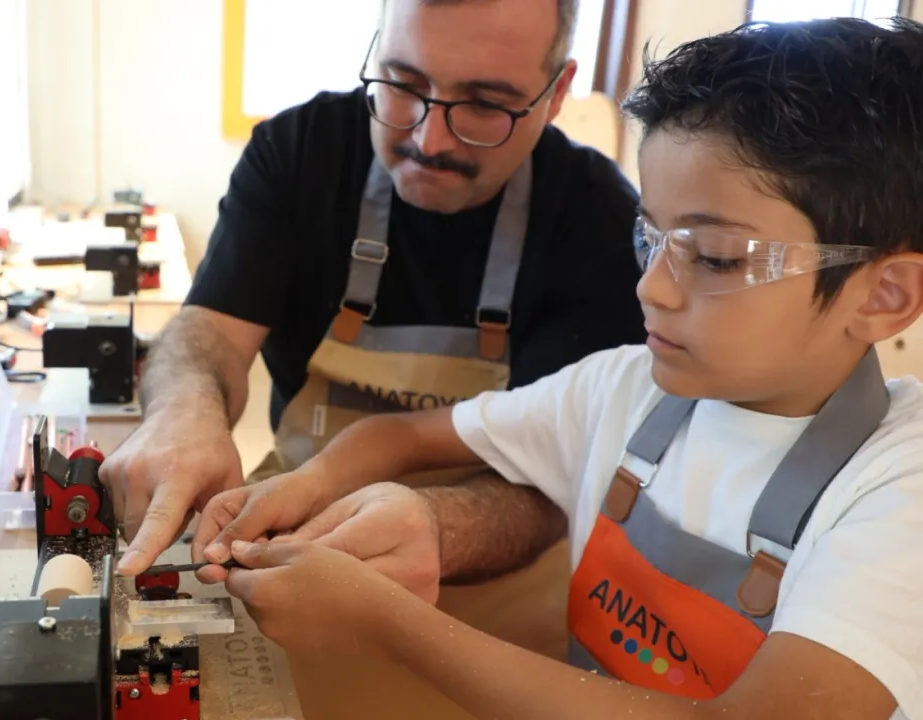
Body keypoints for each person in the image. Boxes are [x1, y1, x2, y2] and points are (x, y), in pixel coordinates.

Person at [195, 16, 923, 719]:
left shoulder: (897, 488)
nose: (652, 287)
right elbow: (402, 436)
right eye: (651, 237)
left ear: (883, 296)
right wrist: (309, 485)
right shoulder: (620, 390)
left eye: (714, 257)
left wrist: (388, 622)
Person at [103, 0, 645, 579]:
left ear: (556, 93)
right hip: (290, 543)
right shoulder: (300, 152)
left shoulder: (599, 220)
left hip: (496, 591)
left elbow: (556, 477)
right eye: (403, 84)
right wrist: (183, 411)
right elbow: (211, 332)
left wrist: (435, 527)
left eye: (486, 104)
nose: (430, 140)